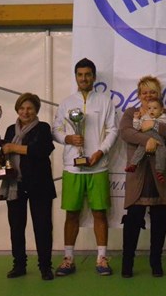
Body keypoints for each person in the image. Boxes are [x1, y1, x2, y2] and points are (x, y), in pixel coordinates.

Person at [52, 58, 118, 276]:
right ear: (75, 77)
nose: (84, 78)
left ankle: (101, 258)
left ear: (94, 77)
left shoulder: (105, 102)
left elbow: (113, 130)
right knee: (72, 213)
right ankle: (68, 258)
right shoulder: (65, 103)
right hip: (73, 167)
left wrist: (100, 152)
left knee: (100, 213)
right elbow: (56, 130)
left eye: (88, 74)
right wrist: (68, 139)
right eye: (80, 75)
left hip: (98, 167)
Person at [119, 75, 166, 278]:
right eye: (145, 92)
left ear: (159, 95)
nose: (149, 96)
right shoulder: (131, 113)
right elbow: (126, 132)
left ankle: (156, 261)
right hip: (138, 174)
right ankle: (127, 263)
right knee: (133, 219)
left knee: (159, 219)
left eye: (153, 92)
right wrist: (148, 140)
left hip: (161, 174)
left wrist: (154, 126)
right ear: (139, 95)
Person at [0, 92, 56, 281]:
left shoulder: (43, 128)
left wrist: (13, 148)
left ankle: (45, 267)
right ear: (17, 110)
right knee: (16, 227)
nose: (26, 111)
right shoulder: (9, 130)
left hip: (39, 185)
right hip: (15, 184)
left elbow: (42, 150)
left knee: (42, 227)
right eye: (22, 108)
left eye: (30, 108)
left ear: (36, 110)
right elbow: (3, 154)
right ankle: (19, 265)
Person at [125, 98, 166, 183]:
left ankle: (159, 172)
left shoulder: (165, 118)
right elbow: (137, 127)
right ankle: (133, 164)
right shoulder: (144, 117)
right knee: (140, 149)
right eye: (149, 108)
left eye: (155, 108)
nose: (151, 110)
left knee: (163, 151)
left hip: (159, 140)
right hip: (146, 139)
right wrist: (136, 119)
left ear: (161, 110)